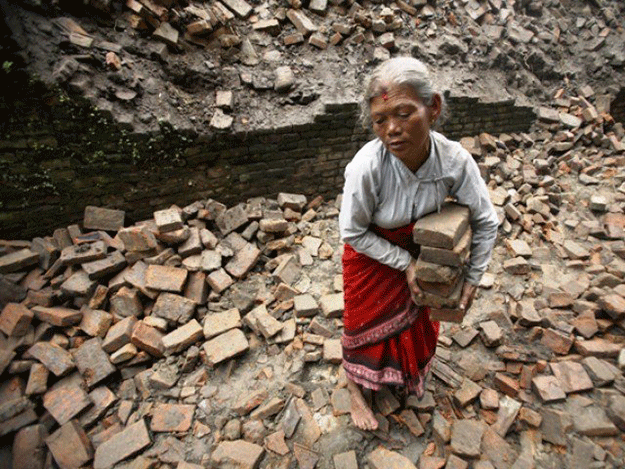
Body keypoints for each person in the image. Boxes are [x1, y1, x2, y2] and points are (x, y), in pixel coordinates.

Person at [338, 57, 499, 431]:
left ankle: (403, 374)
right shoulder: (368, 167)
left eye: (404, 113)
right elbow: (352, 232)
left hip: (418, 248)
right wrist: (403, 263)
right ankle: (354, 389)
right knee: (361, 324)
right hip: (370, 252)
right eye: (380, 119)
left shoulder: (454, 161)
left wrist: (472, 277)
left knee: (418, 320)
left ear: (434, 107)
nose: (392, 129)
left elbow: (485, 221)